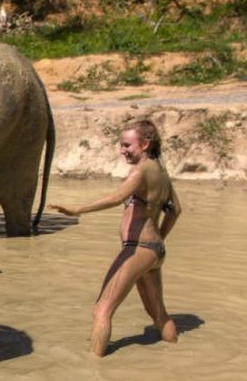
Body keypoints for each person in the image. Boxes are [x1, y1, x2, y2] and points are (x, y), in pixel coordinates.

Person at [49, 119, 182, 356]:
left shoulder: (141, 170)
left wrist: (77, 209)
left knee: (102, 310)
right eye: (121, 145)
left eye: (127, 145)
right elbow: (175, 210)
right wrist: (159, 238)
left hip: (137, 249)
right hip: (154, 251)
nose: (122, 150)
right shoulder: (161, 172)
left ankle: (93, 370)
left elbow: (118, 197)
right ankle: (174, 359)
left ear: (145, 144)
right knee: (159, 314)